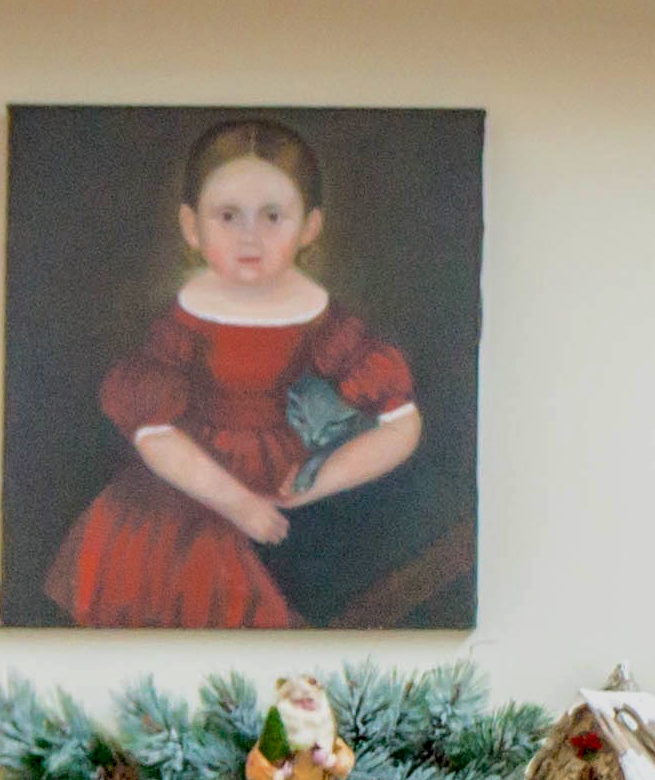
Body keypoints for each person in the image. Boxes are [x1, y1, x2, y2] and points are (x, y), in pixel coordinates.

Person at [42, 119, 421, 629]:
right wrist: (239, 504)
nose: (250, 237)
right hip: (187, 485)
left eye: (272, 216)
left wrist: (315, 483)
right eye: (227, 216)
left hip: (285, 477)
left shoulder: (319, 315)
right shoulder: (186, 317)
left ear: (309, 227)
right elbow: (153, 433)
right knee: (199, 582)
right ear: (191, 227)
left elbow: (401, 422)